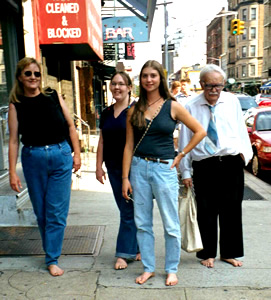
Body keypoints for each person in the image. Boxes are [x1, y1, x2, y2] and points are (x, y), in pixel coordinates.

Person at [122, 60, 206, 286]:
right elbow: (128, 146)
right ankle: (148, 267)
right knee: (142, 222)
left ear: (161, 78)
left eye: (153, 75)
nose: (149, 80)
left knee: (170, 223)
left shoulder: (172, 106)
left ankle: (171, 269)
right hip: (139, 168)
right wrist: (125, 178)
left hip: (164, 168)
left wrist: (181, 155)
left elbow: (200, 131)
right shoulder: (134, 108)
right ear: (140, 80)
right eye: (145, 76)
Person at [8, 57, 81, 276]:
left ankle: (52, 258)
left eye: (36, 74)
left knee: (57, 211)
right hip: (34, 158)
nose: (33, 77)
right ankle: (51, 253)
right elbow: (13, 140)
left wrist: (76, 153)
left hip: (60, 155)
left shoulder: (52, 95)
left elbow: (70, 125)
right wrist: (12, 172)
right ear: (20, 77)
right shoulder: (16, 104)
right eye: (28, 74)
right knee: (42, 213)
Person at [179, 64, 253, 269]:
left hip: (230, 162)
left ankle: (230, 253)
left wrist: (244, 156)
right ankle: (208, 253)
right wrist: (185, 171)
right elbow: (185, 140)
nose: (214, 90)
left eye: (218, 85)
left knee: (232, 210)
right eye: (209, 85)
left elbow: (240, 129)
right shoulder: (190, 106)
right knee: (206, 211)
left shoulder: (231, 102)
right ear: (201, 84)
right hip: (204, 164)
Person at [96, 71, 140, 271]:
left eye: (121, 84)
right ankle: (137, 247)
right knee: (128, 208)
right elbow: (102, 140)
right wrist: (98, 166)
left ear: (130, 87)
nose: (117, 87)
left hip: (134, 167)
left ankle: (124, 253)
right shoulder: (106, 112)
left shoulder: (137, 110)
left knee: (128, 209)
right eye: (114, 83)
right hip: (113, 168)